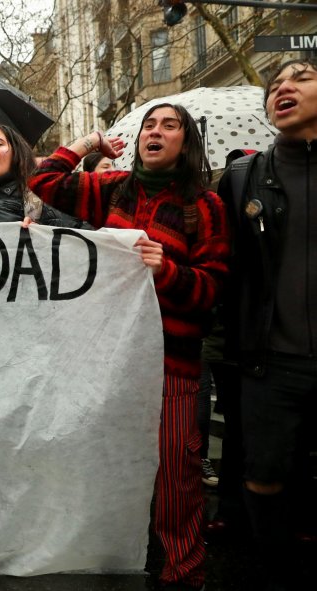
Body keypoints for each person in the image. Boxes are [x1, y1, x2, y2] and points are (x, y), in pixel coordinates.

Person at [30, 103, 230, 591]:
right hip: (111, 363)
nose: (155, 133)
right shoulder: (114, 188)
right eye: (149, 126)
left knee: (175, 481)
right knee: (107, 465)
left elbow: (213, 289)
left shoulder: (205, 207)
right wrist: (90, 143)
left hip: (172, 367)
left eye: (169, 126)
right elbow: (44, 181)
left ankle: (184, 571)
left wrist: (170, 272)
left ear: (186, 143)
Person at [218, 58, 317, 590]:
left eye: (300, 78)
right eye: (274, 85)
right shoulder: (242, 178)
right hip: (269, 362)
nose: (283, 88)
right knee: (263, 477)